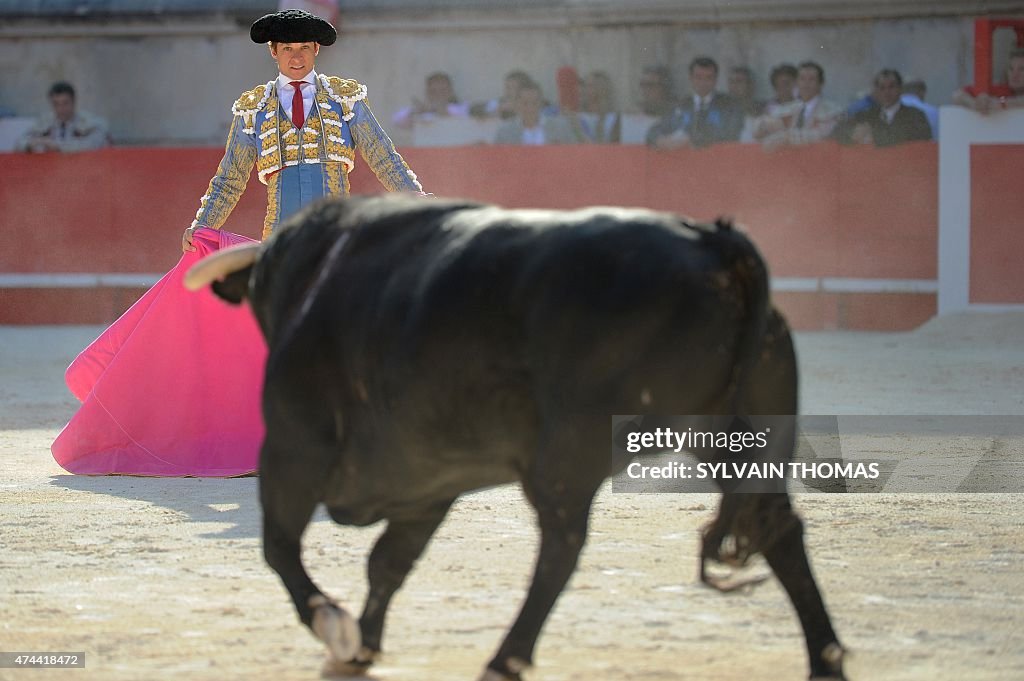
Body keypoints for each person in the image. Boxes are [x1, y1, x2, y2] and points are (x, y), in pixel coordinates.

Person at [52, 9, 426, 478]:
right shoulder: (252, 107)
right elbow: (230, 176)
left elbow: (383, 156)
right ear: (273, 52)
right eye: (287, 49)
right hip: (281, 236)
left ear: (316, 51)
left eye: (304, 49)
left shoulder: (346, 100)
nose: (296, 57)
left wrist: (417, 202)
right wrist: (204, 222)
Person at [645, 56, 743, 150]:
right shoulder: (680, 105)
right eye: (698, 77)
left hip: (717, 162)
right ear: (691, 78)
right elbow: (653, 133)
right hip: (684, 164)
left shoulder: (729, 106)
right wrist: (663, 141)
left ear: (715, 80)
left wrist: (691, 140)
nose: (703, 82)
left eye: (708, 78)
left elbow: (732, 134)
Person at [753, 61, 841, 150]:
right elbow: (760, 128)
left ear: (821, 84)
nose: (806, 84)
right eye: (802, 79)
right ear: (797, 82)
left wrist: (785, 136)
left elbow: (820, 135)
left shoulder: (832, 110)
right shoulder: (790, 108)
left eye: (811, 79)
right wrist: (763, 125)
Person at [15, 81, 109, 153]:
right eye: (56, 104)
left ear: (74, 101)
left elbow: (94, 144)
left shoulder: (90, 121)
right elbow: (19, 143)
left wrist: (58, 146)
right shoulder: (45, 122)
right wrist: (29, 145)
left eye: (65, 103)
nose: (61, 109)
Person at [849, 69, 932, 147]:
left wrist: (875, 136)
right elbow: (842, 132)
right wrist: (855, 133)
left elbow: (923, 140)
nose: (887, 92)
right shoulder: (867, 116)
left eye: (891, 87)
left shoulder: (915, 116)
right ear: (876, 92)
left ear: (900, 89)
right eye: (882, 88)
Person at [494, 80, 576, 145]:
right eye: (525, 103)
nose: (530, 108)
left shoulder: (560, 128)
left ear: (541, 103)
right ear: (517, 104)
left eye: (534, 103)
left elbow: (573, 154)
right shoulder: (505, 132)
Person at [953, 47, 1024, 114]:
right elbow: (958, 95)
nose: (1015, 74)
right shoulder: (1002, 91)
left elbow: (1019, 101)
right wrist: (976, 104)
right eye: (1011, 69)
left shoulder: (1002, 98)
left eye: (1022, 69)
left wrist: (1000, 103)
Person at [391, 71, 470, 129]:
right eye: (434, 91)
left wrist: (440, 110)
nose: (438, 95)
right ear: (427, 92)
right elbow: (397, 120)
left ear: (450, 91)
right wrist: (417, 111)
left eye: (443, 91)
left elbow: (468, 118)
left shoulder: (463, 108)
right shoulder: (423, 113)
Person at [572, 70, 622, 143]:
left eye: (590, 86)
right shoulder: (578, 115)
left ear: (601, 89)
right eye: (584, 85)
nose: (583, 90)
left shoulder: (613, 118)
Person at [727, 65, 766, 142]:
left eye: (739, 81)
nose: (734, 86)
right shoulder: (723, 110)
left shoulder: (763, 109)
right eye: (731, 82)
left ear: (750, 85)